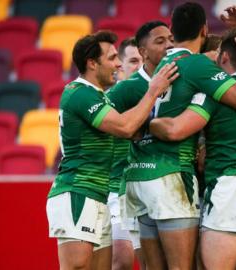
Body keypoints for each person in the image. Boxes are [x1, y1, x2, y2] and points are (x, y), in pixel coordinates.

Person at [122, 2, 236, 270]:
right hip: (171, 175)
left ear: (172, 34)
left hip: (139, 177)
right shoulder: (197, 65)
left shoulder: (158, 64)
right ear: (204, 29)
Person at [149, 30, 236, 270]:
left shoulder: (217, 93)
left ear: (222, 58)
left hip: (232, 186)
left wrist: (150, 121)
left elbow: (176, 130)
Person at [45, 30, 178, 270]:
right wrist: (153, 90)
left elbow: (129, 127)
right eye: (112, 58)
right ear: (92, 63)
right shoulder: (79, 92)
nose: (118, 64)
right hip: (77, 192)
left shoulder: (99, 97)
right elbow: (126, 127)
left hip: (98, 194)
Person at [107, 20, 174, 270]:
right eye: (131, 61)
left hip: (178, 182)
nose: (168, 46)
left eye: (171, 40)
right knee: (125, 260)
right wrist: (128, 130)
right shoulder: (123, 91)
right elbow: (100, 131)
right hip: (128, 186)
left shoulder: (181, 80)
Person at [108, 37, 144, 270]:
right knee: (121, 259)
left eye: (143, 60)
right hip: (114, 189)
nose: (139, 66)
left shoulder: (159, 98)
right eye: (133, 61)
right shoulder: (107, 101)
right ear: (120, 66)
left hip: (148, 186)